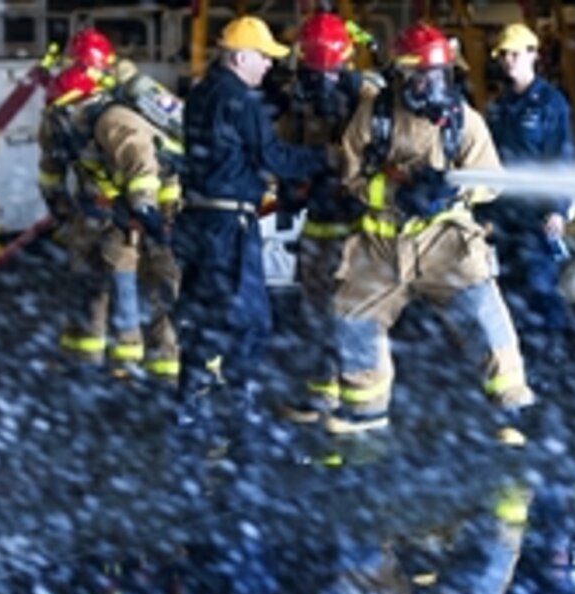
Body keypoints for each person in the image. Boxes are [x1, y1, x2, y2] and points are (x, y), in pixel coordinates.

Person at [325, 22, 534, 445]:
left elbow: (491, 179)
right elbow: (350, 177)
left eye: (438, 76)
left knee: (483, 315)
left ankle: (512, 410)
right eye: (421, 76)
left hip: (446, 242)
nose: (431, 85)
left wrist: (448, 189)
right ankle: (366, 412)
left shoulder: (463, 121)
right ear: (401, 76)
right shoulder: (375, 116)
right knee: (353, 319)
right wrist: (398, 193)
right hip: (382, 245)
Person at [172, 16, 329, 452]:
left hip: (198, 223)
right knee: (253, 320)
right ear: (240, 57)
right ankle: (237, 405)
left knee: (204, 312)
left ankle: (188, 401)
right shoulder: (240, 99)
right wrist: (327, 158)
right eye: (262, 57)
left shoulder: (202, 93)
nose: (267, 67)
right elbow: (273, 155)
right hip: (230, 226)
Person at [57, 27, 185, 380]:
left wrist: (146, 211)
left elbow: (143, 166)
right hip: (119, 203)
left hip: (163, 200)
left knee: (161, 279)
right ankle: (113, 355)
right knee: (114, 270)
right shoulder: (82, 112)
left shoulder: (114, 118)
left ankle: (164, 362)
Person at [275, 13, 381, 423]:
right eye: (314, 72)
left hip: (358, 226)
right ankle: (322, 393)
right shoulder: (300, 98)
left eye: (330, 72)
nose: (321, 82)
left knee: (353, 313)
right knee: (315, 311)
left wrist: (332, 166)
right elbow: (286, 144)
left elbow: (375, 158)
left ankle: (364, 403)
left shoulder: (369, 97)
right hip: (318, 223)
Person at [482, 23, 575, 356]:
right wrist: (484, 213)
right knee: (508, 289)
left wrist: (558, 208)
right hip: (505, 214)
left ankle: (550, 356)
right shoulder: (499, 106)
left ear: (533, 55)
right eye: (504, 55)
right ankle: (518, 360)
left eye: (516, 54)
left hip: (536, 215)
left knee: (540, 287)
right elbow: (486, 161)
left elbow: (561, 157)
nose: (509, 61)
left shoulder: (551, 103)